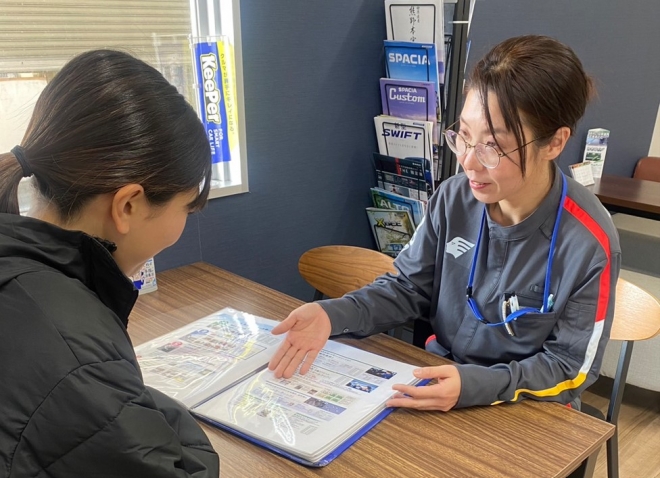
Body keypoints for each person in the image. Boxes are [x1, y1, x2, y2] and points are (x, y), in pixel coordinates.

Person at [269, 35, 621, 412]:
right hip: (438, 379)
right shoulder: (455, 198)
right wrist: (332, 315)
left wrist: (475, 385)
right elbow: (407, 288)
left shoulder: (589, 243)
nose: (468, 162)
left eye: (493, 146)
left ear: (554, 143)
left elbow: (570, 367)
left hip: (525, 408)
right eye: (464, 137)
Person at [0, 50, 219, 476]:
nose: (184, 223)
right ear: (128, 205)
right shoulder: (79, 359)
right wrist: (166, 416)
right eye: (187, 208)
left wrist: (129, 397)